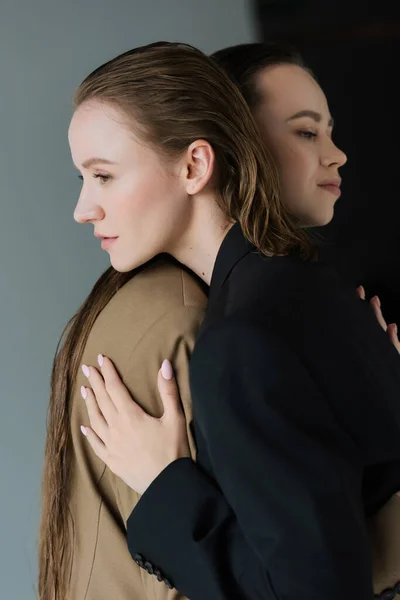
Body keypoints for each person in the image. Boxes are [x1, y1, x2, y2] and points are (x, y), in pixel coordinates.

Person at [64, 41, 400, 600]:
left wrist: (164, 486)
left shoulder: (242, 339)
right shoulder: (306, 286)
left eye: (103, 176)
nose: (83, 208)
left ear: (194, 165)